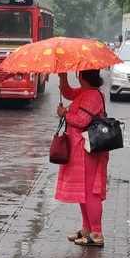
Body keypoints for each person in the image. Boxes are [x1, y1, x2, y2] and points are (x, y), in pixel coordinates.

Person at [55, 70, 109, 247]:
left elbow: (82, 120)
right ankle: (87, 229)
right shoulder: (85, 92)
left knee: (90, 191)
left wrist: (65, 114)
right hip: (81, 149)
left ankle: (96, 233)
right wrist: (63, 78)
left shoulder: (92, 96)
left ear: (82, 77)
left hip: (88, 150)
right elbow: (69, 93)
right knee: (82, 191)